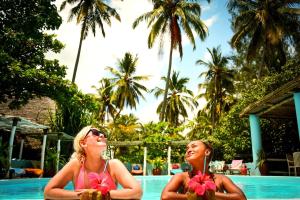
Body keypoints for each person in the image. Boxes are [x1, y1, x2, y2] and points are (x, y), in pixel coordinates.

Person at [44, 126, 142, 199]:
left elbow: (137, 192)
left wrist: (103, 195)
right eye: (95, 132)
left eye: (103, 133)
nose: (102, 135)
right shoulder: (76, 165)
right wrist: (81, 195)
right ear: (83, 143)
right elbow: (48, 192)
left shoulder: (113, 165)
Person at [161, 140, 247, 200]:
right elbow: (165, 196)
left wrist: (212, 195)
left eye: (193, 146)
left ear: (207, 152)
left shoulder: (221, 179)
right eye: (187, 148)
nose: (189, 150)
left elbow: (241, 198)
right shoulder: (181, 177)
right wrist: (191, 197)